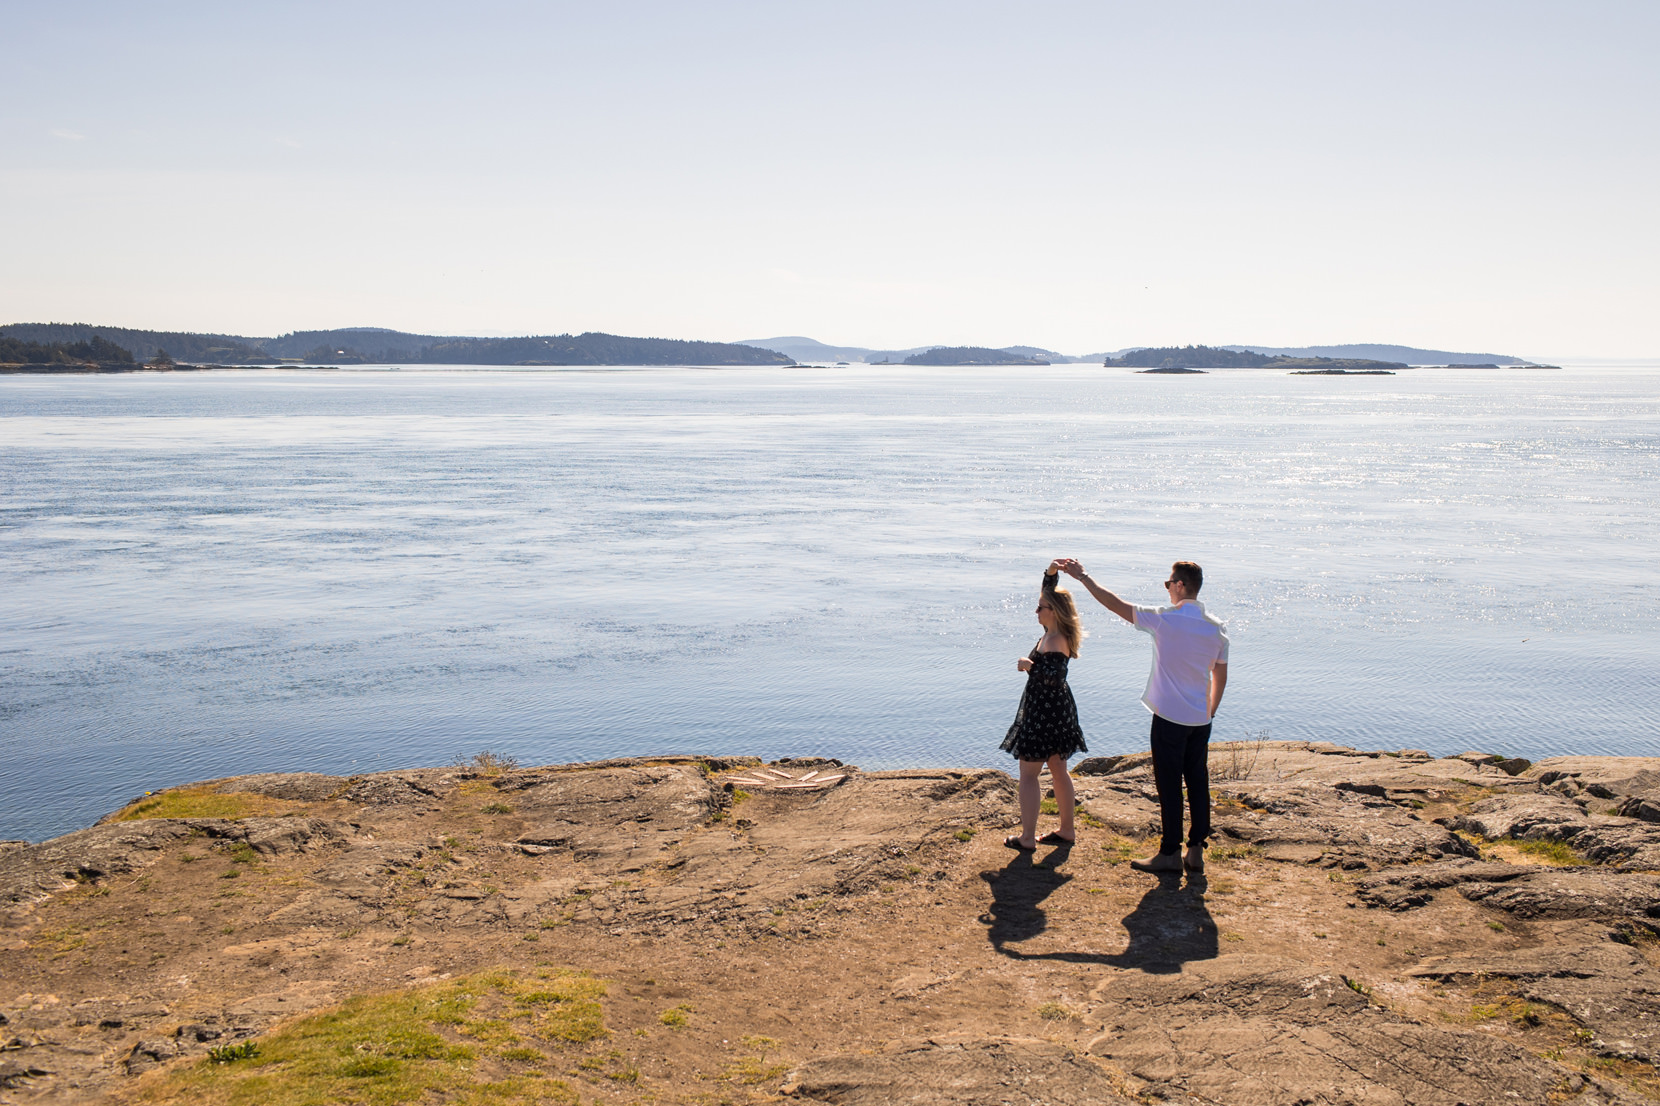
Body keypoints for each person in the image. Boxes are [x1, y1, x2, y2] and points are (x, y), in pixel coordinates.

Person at [1056, 558, 1228, 874]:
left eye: (1168, 583)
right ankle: (1196, 852)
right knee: (1198, 782)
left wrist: (1084, 578)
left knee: (1170, 785)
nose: (1166, 589)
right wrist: (1209, 712)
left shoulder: (1165, 620)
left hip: (1169, 719)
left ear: (1179, 585)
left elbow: (1114, 604)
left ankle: (1169, 853)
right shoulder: (1216, 628)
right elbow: (1220, 675)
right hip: (1200, 721)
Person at [1000, 561, 1088, 852]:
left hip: (1045, 714)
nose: (1036, 611)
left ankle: (1027, 838)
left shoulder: (1056, 639)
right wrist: (1051, 572)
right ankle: (1066, 830)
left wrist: (1029, 666)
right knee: (1058, 768)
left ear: (1054, 612)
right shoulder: (1053, 630)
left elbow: (1054, 677)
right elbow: (1049, 592)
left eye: (1040, 608)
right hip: (1056, 711)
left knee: (1028, 775)